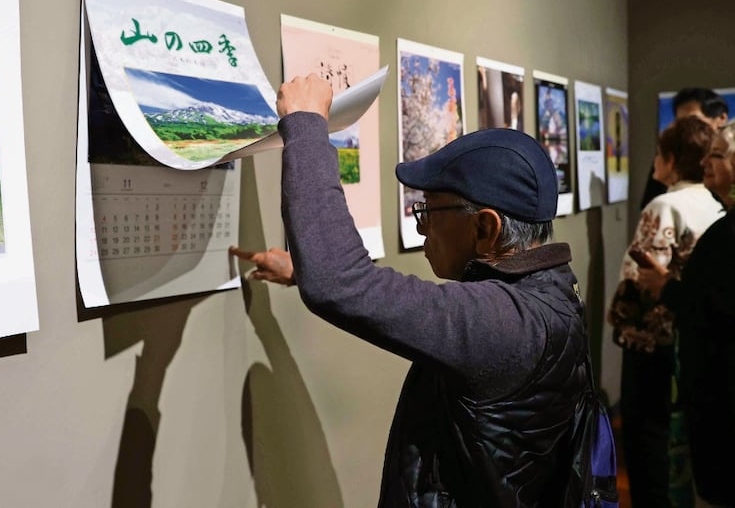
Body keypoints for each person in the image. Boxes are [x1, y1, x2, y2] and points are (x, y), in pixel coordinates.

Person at [231, 74, 592, 506]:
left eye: (429, 213)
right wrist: (304, 267)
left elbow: (340, 283)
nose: (423, 230)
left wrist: (307, 124)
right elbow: (387, 293)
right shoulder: (549, 289)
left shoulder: (505, 324)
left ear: (485, 226)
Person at [608, 116, 723, 508]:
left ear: (671, 159)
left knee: (647, 449)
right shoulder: (715, 201)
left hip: (651, 345)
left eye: (659, 153)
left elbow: (639, 278)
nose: (655, 161)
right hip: (692, 344)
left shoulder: (665, 204)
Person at [638, 120, 735, 507]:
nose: (706, 161)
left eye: (718, 154)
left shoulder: (666, 206)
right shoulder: (715, 211)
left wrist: (666, 288)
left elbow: (714, 301)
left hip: (719, 394)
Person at [640, 88, 729, 209]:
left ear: (721, 119)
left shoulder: (729, 158)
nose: (685, 128)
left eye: (693, 120)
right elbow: (650, 203)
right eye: (680, 121)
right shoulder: (670, 154)